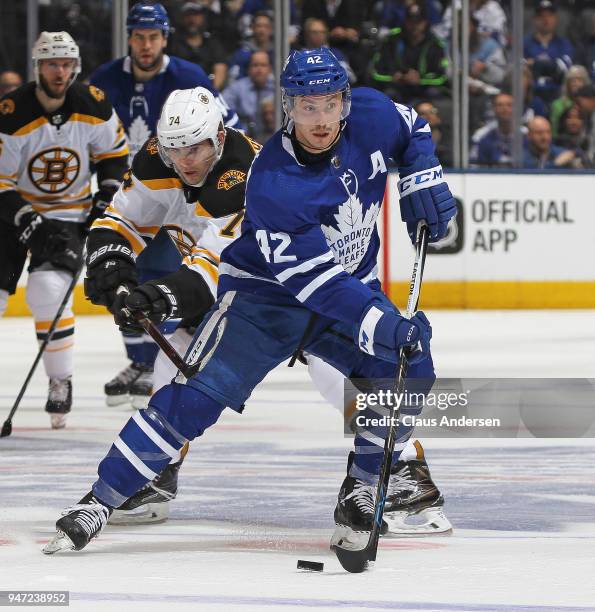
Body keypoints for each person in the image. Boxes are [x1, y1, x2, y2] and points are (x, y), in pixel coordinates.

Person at [44, 48, 456, 555]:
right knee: (192, 395)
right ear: (288, 107)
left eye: (329, 104)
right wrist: (379, 320)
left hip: (346, 288)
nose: (320, 119)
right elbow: (315, 284)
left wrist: (422, 172)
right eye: (307, 107)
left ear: (345, 101)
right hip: (265, 303)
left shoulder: (371, 113)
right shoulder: (273, 180)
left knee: (407, 366)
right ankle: (100, 498)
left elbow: (412, 127)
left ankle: (368, 485)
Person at [89, 2, 241, 409]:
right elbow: (120, 213)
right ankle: (143, 370)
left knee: (170, 274)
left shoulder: (190, 79)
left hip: (293, 294)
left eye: (153, 36)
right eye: (138, 36)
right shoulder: (105, 81)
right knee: (128, 278)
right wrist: (107, 249)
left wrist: (162, 298)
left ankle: (400, 452)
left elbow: (214, 266)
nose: (145, 44)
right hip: (146, 189)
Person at [0, 32, 128, 429]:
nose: (60, 71)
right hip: (11, 214)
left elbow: (114, 157)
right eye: (52, 64)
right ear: (37, 68)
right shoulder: (10, 112)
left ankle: (60, 380)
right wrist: (26, 220)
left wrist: (104, 197)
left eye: (66, 64)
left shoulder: (95, 103)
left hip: (69, 215)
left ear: (75, 67)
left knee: (49, 292)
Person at [371, 3, 449, 104]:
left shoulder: (435, 44)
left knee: (435, 93)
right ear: (405, 21)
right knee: (387, 94)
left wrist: (420, 79)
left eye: (418, 22)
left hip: (424, 89)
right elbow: (376, 72)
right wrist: (394, 77)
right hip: (398, 87)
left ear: (425, 22)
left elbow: (441, 77)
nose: (414, 26)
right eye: (410, 21)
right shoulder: (391, 41)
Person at [167, 2, 228, 90]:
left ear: (202, 17)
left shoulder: (212, 43)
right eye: (188, 15)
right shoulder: (173, 42)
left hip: (208, 91)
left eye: (196, 15)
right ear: (183, 18)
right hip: (178, 91)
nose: (192, 19)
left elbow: (220, 68)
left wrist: (212, 93)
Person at [523, 0, 574, 106]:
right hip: (531, 95)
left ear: (556, 19)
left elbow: (564, 68)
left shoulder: (564, 44)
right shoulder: (525, 44)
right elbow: (522, 69)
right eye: (541, 16)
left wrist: (535, 64)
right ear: (534, 19)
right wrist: (553, 65)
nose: (545, 20)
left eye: (550, 15)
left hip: (558, 94)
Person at [222, 50, 275, 140]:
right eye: (255, 65)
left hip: (273, 139)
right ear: (249, 69)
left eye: (263, 65)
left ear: (269, 68)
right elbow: (222, 109)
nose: (259, 69)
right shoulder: (237, 88)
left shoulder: (278, 88)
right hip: (244, 140)